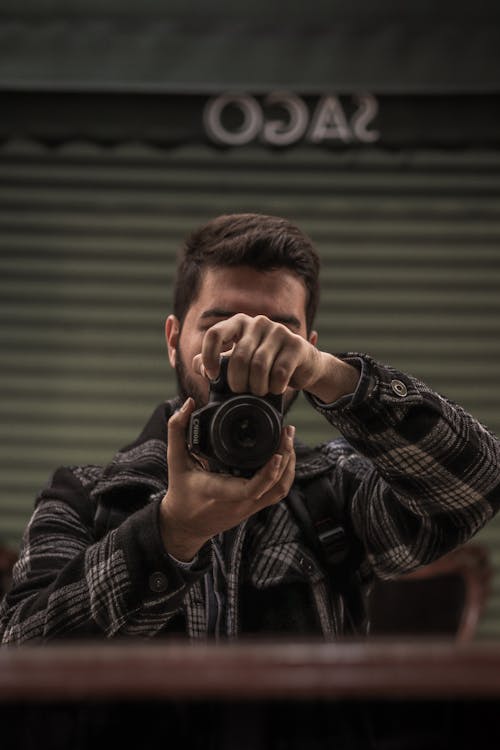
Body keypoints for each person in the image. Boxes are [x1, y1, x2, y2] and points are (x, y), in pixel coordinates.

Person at [1, 212, 499, 644]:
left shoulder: (336, 491)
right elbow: (21, 654)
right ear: (174, 338)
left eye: (279, 333)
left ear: (310, 345)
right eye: (221, 325)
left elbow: (478, 483)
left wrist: (336, 377)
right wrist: (169, 534)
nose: (248, 350)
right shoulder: (84, 497)